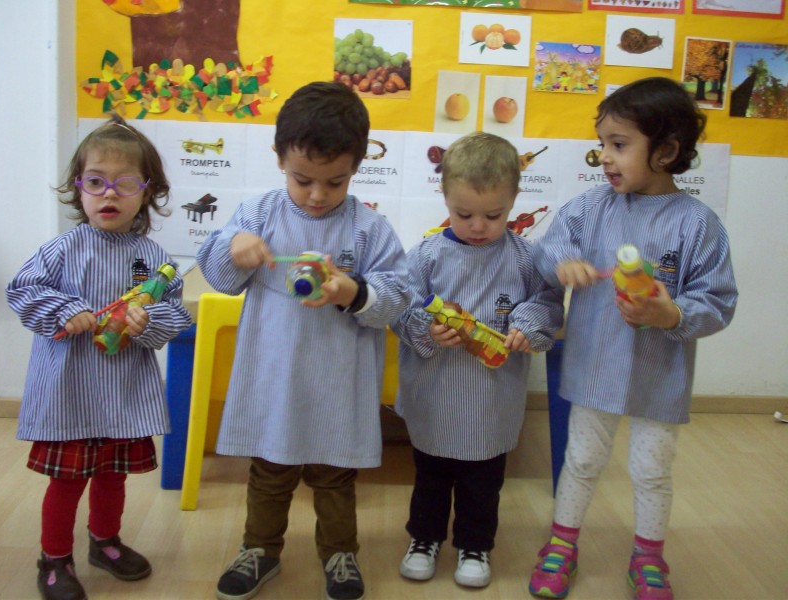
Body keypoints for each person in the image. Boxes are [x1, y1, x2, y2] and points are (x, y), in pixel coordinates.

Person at [196, 81, 409, 600]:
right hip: (275, 380)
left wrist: (352, 291)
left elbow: (398, 298)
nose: (317, 195)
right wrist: (233, 247)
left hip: (337, 385)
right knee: (270, 472)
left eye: (335, 182)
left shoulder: (368, 228)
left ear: (357, 165)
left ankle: (339, 554)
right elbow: (219, 276)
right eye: (302, 179)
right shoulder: (259, 215)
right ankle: (260, 550)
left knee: (335, 477)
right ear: (279, 158)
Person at [527, 77, 738, 600]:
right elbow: (547, 250)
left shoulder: (698, 225)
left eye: (619, 144)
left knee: (651, 471)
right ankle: (562, 542)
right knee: (581, 461)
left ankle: (648, 556)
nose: (605, 156)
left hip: (658, 377)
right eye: (602, 143)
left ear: (665, 152)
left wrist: (671, 314)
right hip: (594, 369)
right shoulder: (590, 208)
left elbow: (718, 302)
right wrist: (564, 264)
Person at [5, 115, 192, 600]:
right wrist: (66, 309)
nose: (109, 194)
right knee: (66, 482)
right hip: (69, 390)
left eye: (125, 183)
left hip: (122, 392)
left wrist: (148, 322)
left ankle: (104, 541)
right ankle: (54, 558)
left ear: (147, 192)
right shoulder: (62, 249)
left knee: (113, 476)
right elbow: (22, 290)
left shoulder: (154, 258)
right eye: (95, 182)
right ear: (78, 188)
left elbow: (175, 312)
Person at [391, 131, 563, 589]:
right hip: (435, 392)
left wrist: (527, 324)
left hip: (491, 399)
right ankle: (424, 538)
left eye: (494, 215)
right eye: (464, 214)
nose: (479, 226)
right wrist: (425, 330)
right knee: (431, 476)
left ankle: (474, 544)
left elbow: (547, 301)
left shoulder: (525, 258)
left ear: (514, 201)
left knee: (483, 481)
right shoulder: (426, 255)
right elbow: (399, 309)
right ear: (445, 196)